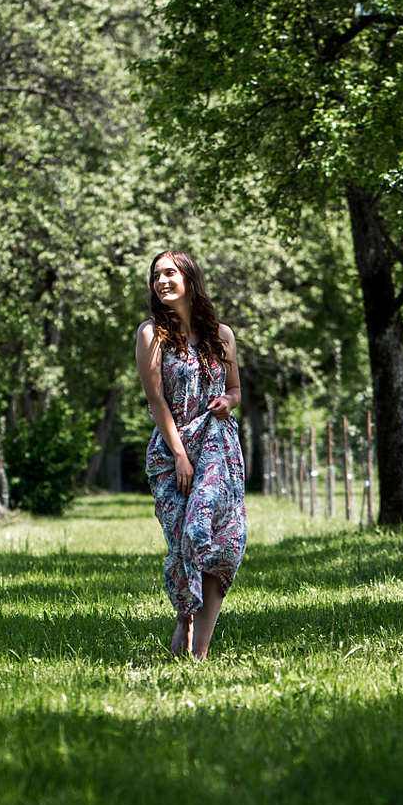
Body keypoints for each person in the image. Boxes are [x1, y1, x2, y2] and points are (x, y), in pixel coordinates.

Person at [135, 250, 247, 658]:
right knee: (184, 540)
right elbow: (157, 401)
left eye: (169, 272)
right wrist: (180, 456)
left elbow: (235, 389)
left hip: (219, 446)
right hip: (173, 451)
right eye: (156, 275)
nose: (161, 281)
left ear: (189, 278)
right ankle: (184, 619)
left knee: (220, 540)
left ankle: (199, 652)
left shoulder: (222, 334)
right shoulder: (152, 334)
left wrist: (227, 402)